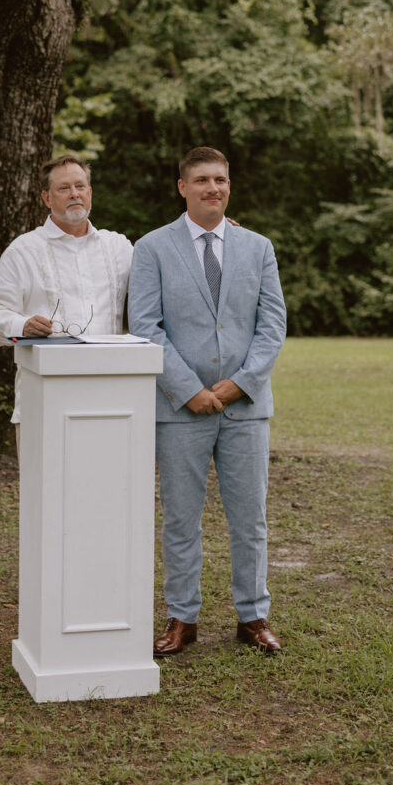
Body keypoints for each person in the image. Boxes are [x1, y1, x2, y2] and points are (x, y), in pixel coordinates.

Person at [128, 147, 287, 656]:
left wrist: (240, 383)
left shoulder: (258, 247)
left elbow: (272, 325)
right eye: (201, 180)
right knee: (180, 517)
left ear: (229, 186)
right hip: (180, 410)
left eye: (220, 179)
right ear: (182, 187)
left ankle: (253, 616)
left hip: (246, 407)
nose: (212, 188)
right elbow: (145, 326)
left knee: (250, 517)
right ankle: (182, 617)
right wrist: (189, 390)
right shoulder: (151, 248)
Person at [0, 156, 133, 438]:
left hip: (109, 396)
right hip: (44, 396)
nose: (74, 193)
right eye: (64, 188)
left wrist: (222, 232)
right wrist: (21, 326)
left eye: (80, 186)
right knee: (46, 482)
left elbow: (168, 271)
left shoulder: (118, 247)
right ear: (46, 198)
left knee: (107, 481)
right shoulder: (23, 251)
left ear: (90, 193)